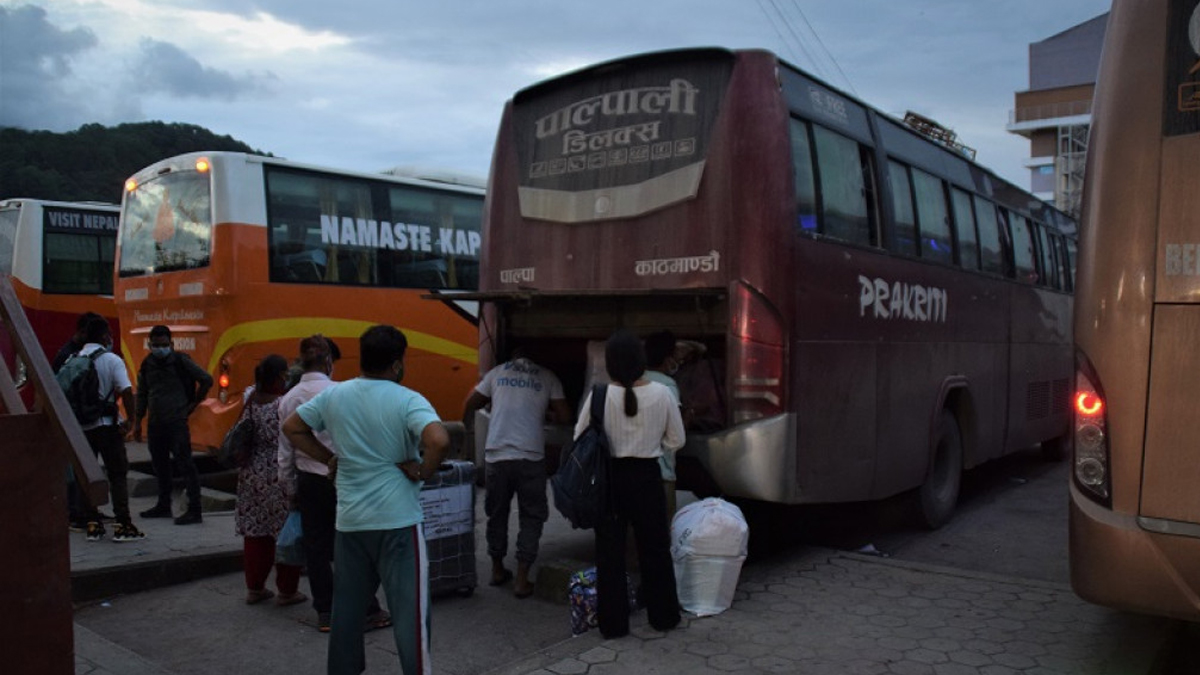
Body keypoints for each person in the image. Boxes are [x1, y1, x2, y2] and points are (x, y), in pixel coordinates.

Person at [282, 325, 450, 675]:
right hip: (398, 523)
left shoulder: (335, 396)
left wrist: (328, 457)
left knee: (346, 612)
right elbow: (438, 440)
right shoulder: (407, 398)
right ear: (397, 363)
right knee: (410, 615)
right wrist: (421, 471)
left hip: (352, 522)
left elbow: (293, 427)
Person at [574, 329, 684, 639]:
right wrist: (651, 444)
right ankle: (663, 617)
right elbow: (677, 440)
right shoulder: (663, 394)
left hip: (610, 481)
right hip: (648, 477)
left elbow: (579, 438)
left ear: (609, 363)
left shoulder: (598, 395)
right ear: (641, 360)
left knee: (610, 554)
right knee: (655, 550)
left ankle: (614, 625)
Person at [277, 335, 391, 632]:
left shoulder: (289, 398)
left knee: (316, 549)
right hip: (343, 478)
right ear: (328, 361)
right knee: (352, 545)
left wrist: (290, 490)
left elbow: (285, 451)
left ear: (301, 362)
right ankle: (367, 609)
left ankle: (326, 612)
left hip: (308, 482)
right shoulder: (341, 392)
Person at [462, 346, 572, 598]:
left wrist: (465, 437)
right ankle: (522, 578)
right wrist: (547, 412)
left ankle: (498, 569)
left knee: (496, 513)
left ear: (511, 357)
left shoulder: (496, 373)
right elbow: (566, 416)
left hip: (497, 455)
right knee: (532, 516)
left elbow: (471, 403)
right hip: (530, 456)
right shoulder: (547, 376)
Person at [237, 354, 306, 606]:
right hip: (280, 473)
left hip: (252, 475)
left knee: (256, 533)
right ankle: (287, 591)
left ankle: (255, 589)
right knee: (287, 532)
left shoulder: (250, 400)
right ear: (280, 377)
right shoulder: (284, 405)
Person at [67, 316, 144, 543]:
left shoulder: (74, 359)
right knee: (117, 474)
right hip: (107, 426)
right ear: (103, 336)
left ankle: (92, 524)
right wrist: (132, 421)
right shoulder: (112, 360)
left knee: (87, 475)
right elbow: (127, 391)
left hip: (83, 428)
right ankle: (123, 524)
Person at [133, 325, 213, 525]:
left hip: (176, 422)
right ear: (150, 344)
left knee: (185, 464)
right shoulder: (147, 364)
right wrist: (136, 422)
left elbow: (206, 379)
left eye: (164, 345)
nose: (160, 349)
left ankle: (195, 510)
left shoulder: (180, 361)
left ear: (171, 344)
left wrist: (193, 404)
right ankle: (163, 505)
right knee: (160, 465)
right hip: (155, 423)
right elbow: (142, 394)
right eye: (156, 345)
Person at [642, 330, 683, 520]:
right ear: (668, 358)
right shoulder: (668, 385)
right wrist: (691, 413)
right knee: (662, 530)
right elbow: (676, 433)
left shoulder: (633, 381)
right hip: (662, 471)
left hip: (633, 469)